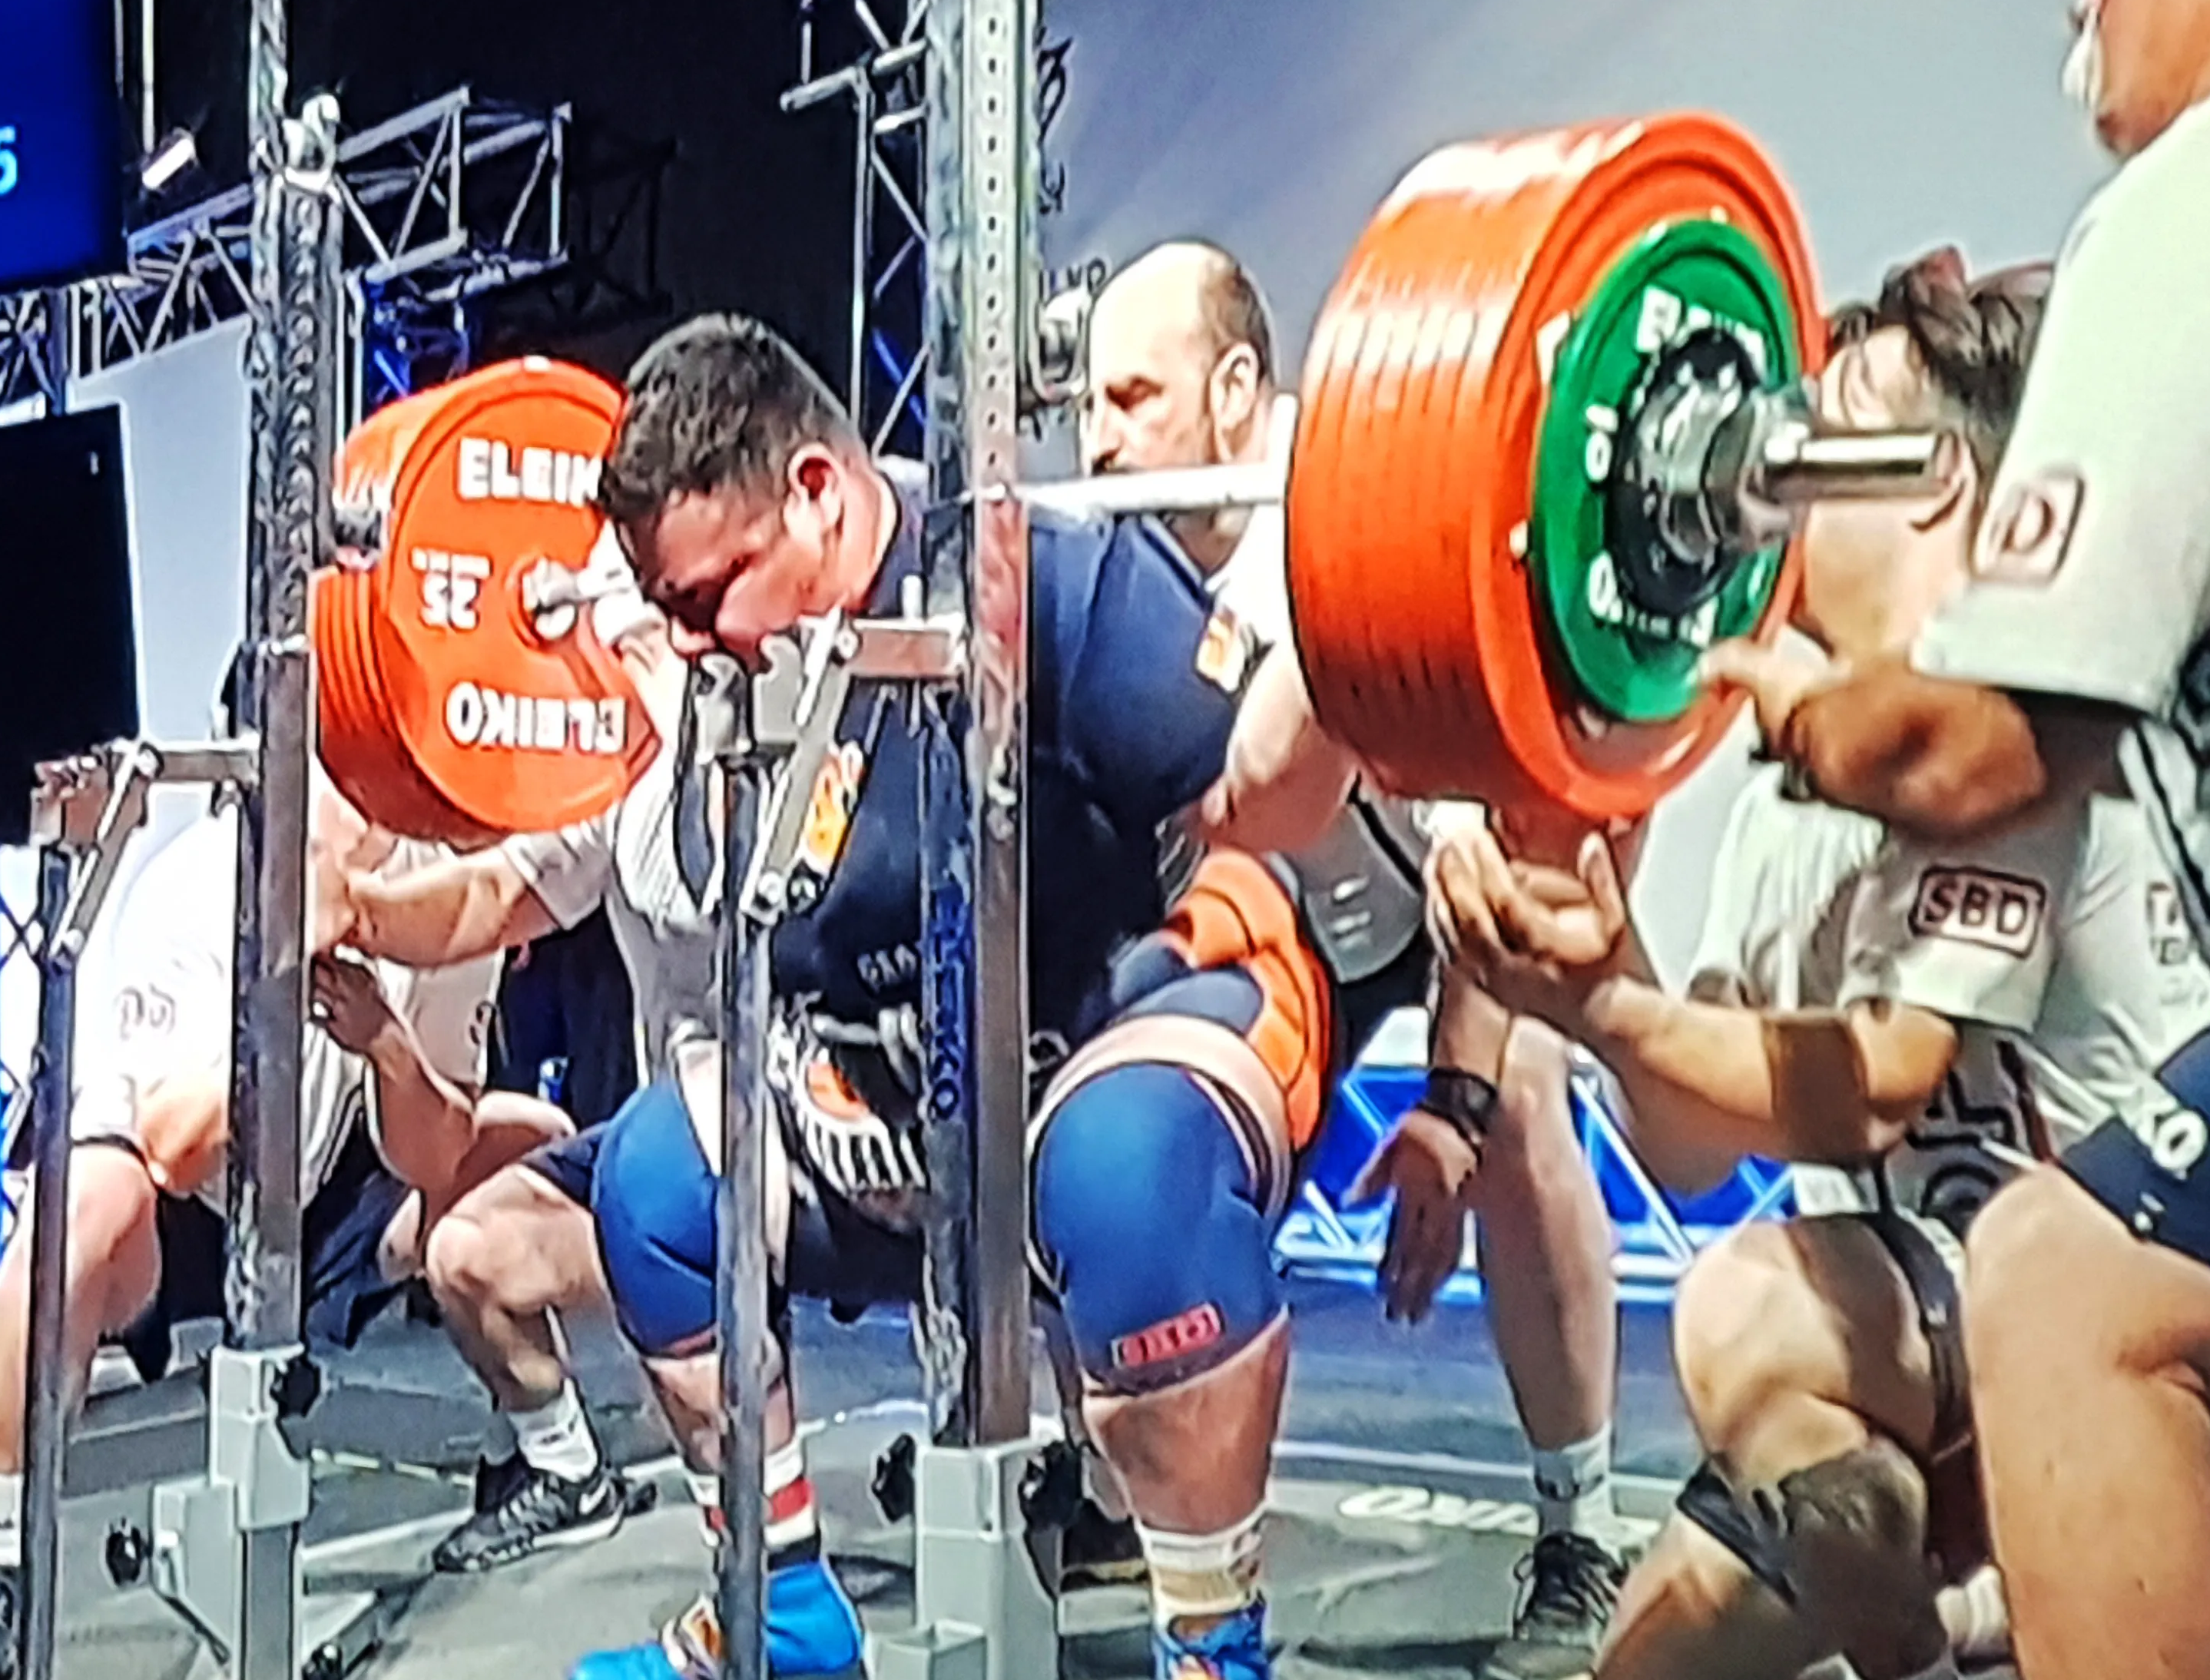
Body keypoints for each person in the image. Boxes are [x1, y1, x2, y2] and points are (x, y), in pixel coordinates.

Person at [1697, 0, 2210, 1680]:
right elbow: (1711, 1123)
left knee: (2060, 1289)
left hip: (2012, 1235)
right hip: (1918, 1311)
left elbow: (1964, 751)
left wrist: (1761, 690)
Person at [1439, 253, 2210, 1680]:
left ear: (1935, 480)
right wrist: (1602, 977)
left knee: (1745, 1311)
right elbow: (1693, 1149)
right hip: (1886, 1365)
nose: (1773, 471)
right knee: (1657, 1635)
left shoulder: (2014, 724)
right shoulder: (1780, 797)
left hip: (2081, 1339)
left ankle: (1962, 1626)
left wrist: (1611, 1005)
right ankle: (1943, 1628)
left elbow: (1874, 1085)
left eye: (1825, 428)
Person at [564, 313, 1344, 1680]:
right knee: (656, 1186)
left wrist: (1361, 637)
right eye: (668, 605)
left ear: (817, 493)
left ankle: (1216, 1652)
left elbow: (1263, 793)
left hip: (1110, 1039)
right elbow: (720, 909)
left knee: (1124, 1172)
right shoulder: (737, 685)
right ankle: (785, 1616)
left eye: (705, 598)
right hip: (898, 1109)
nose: (689, 641)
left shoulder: (1040, 573)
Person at [1083, 241, 1631, 1672]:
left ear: (1239, 388)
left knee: (1523, 1116)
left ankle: (1580, 1533)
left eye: (1134, 398)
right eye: (1090, 402)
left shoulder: (1359, 536)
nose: (1097, 440)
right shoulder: (1124, 580)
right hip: (1283, 930)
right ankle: (1133, 1493)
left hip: (1448, 894)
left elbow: (1496, 868)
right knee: (1118, 1096)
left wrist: (1447, 1115)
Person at [0, 774, 561, 1680]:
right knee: (85, 1202)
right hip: (182, 1195)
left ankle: (550, 1454)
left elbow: (437, 1152)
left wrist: (385, 1043)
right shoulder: (197, 880)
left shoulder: (438, 893)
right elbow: (175, 1146)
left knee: (536, 1150)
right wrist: (280, 999)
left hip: (336, 1176)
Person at [336, 566, 711, 1575]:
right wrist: (361, 911)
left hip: (819, 1113)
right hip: (685, 1136)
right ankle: (566, 1471)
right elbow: (497, 892)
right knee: (470, 1250)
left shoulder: (786, 743)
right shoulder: (621, 768)